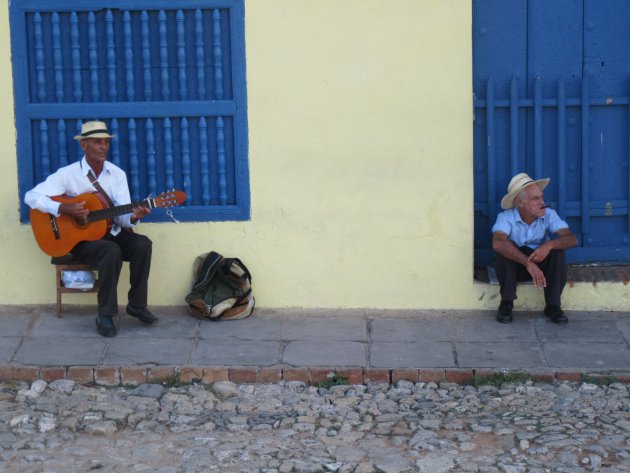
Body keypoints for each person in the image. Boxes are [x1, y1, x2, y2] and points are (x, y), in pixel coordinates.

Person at [25, 121, 157, 337]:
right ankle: (105, 314)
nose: (103, 147)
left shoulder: (117, 174)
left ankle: (137, 305)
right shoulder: (68, 174)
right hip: (80, 241)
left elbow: (121, 219)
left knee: (143, 245)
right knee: (109, 251)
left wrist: (133, 216)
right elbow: (30, 197)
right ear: (84, 145)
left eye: (106, 142)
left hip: (110, 232)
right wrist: (63, 208)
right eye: (97, 142)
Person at [492, 172, 577, 325]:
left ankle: (553, 306)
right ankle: (506, 303)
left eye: (541, 197)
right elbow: (497, 243)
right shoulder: (505, 217)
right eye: (535, 198)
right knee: (505, 250)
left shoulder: (549, 215)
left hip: (541, 264)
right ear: (520, 202)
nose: (542, 202)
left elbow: (571, 239)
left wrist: (550, 245)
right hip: (516, 268)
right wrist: (528, 263)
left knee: (557, 252)